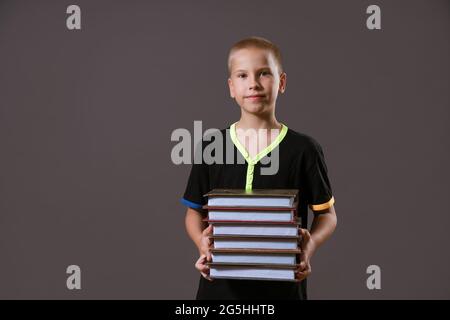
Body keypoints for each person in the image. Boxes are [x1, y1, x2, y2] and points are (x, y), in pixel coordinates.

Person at [181, 36, 337, 299]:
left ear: (282, 82)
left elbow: (328, 215)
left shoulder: (304, 149)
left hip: (283, 288)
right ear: (231, 87)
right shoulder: (211, 145)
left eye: (264, 73)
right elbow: (192, 212)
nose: (253, 83)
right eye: (242, 75)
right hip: (219, 290)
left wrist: (310, 245)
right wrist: (201, 243)